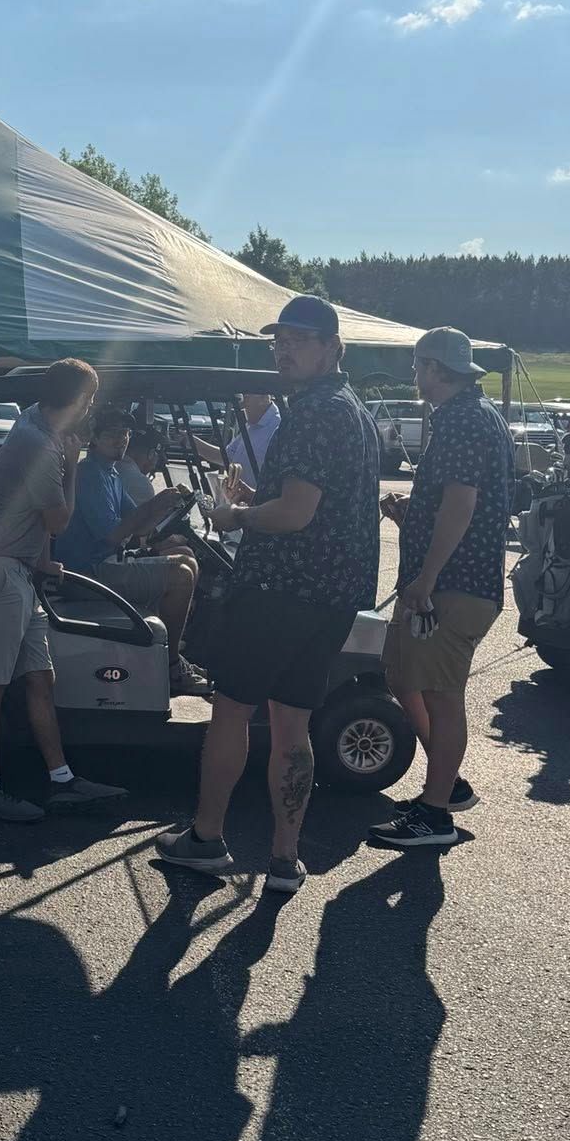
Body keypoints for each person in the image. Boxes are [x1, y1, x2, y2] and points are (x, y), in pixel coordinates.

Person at [157, 295, 379, 894]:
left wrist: (235, 516)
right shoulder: (352, 409)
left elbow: (296, 513)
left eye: (299, 340)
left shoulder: (312, 413)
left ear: (333, 347)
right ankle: (284, 858)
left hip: (280, 590)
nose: (284, 351)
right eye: (279, 341)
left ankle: (206, 838)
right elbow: (317, 507)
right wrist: (258, 503)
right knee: (292, 726)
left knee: (231, 710)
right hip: (332, 596)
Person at [0, 357, 126, 824]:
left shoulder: (36, 423)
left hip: (15, 570)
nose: (92, 407)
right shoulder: (41, 447)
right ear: (77, 400)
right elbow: (59, 520)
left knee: (40, 678)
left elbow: (29, 512)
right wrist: (73, 467)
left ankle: (61, 779)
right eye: (90, 399)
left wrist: (42, 560)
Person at [370, 327, 514, 851]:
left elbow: (461, 503)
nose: (414, 375)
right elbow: (459, 503)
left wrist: (427, 576)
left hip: (454, 584)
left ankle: (436, 813)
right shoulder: (476, 415)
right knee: (406, 674)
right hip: (459, 580)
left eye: (417, 366)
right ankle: (443, 787)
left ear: (432, 367)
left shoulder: (461, 419)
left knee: (441, 693)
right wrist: (413, 519)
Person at [54, 409, 204, 691]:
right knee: (181, 576)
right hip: (87, 574)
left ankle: (164, 653)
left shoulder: (110, 474)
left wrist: (168, 508)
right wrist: (156, 503)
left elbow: (140, 527)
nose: (120, 440)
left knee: (188, 560)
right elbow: (114, 535)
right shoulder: (90, 474)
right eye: (112, 434)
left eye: (124, 434)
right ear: (94, 438)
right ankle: (171, 665)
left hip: (105, 565)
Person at [227, 390, 280, 489]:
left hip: (259, 497)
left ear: (264, 398)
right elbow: (227, 456)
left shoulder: (278, 427)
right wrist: (196, 444)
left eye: (246, 398)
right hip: (237, 496)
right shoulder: (251, 425)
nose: (242, 405)